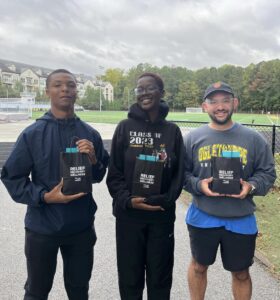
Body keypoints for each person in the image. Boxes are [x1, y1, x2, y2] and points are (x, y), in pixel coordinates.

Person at [1, 69, 109, 300]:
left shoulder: (90, 134)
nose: (65, 89)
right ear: (47, 90)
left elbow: (99, 175)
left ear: (76, 91)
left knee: (79, 290)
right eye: (58, 85)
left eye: (70, 85)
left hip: (80, 227)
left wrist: (94, 160)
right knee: (36, 291)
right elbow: (12, 177)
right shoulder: (32, 134)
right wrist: (44, 197)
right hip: (42, 228)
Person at [184, 81, 276, 300]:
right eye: (213, 101)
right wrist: (198, 185)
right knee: (198, 267)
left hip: (241, 218)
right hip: (202, 215)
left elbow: (268, 174)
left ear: (235, 103)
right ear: (204, 106)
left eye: (225, 100)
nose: (220, 106)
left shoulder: (253, 139)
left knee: (242, 273)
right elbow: (181, 175)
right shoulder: (192, 139)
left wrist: (250, 186)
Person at [106, 72, 185, 300]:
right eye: (139, 89)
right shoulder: (124, 127)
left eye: (150, 88)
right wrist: (127, 200)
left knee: (159, 277)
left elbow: (178, 176)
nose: (144, 93)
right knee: (130, 278)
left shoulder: (172, 131)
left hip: (160, 217)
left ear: (161, 93)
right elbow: (115, 173)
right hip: (129, 216)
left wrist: (163, 201)